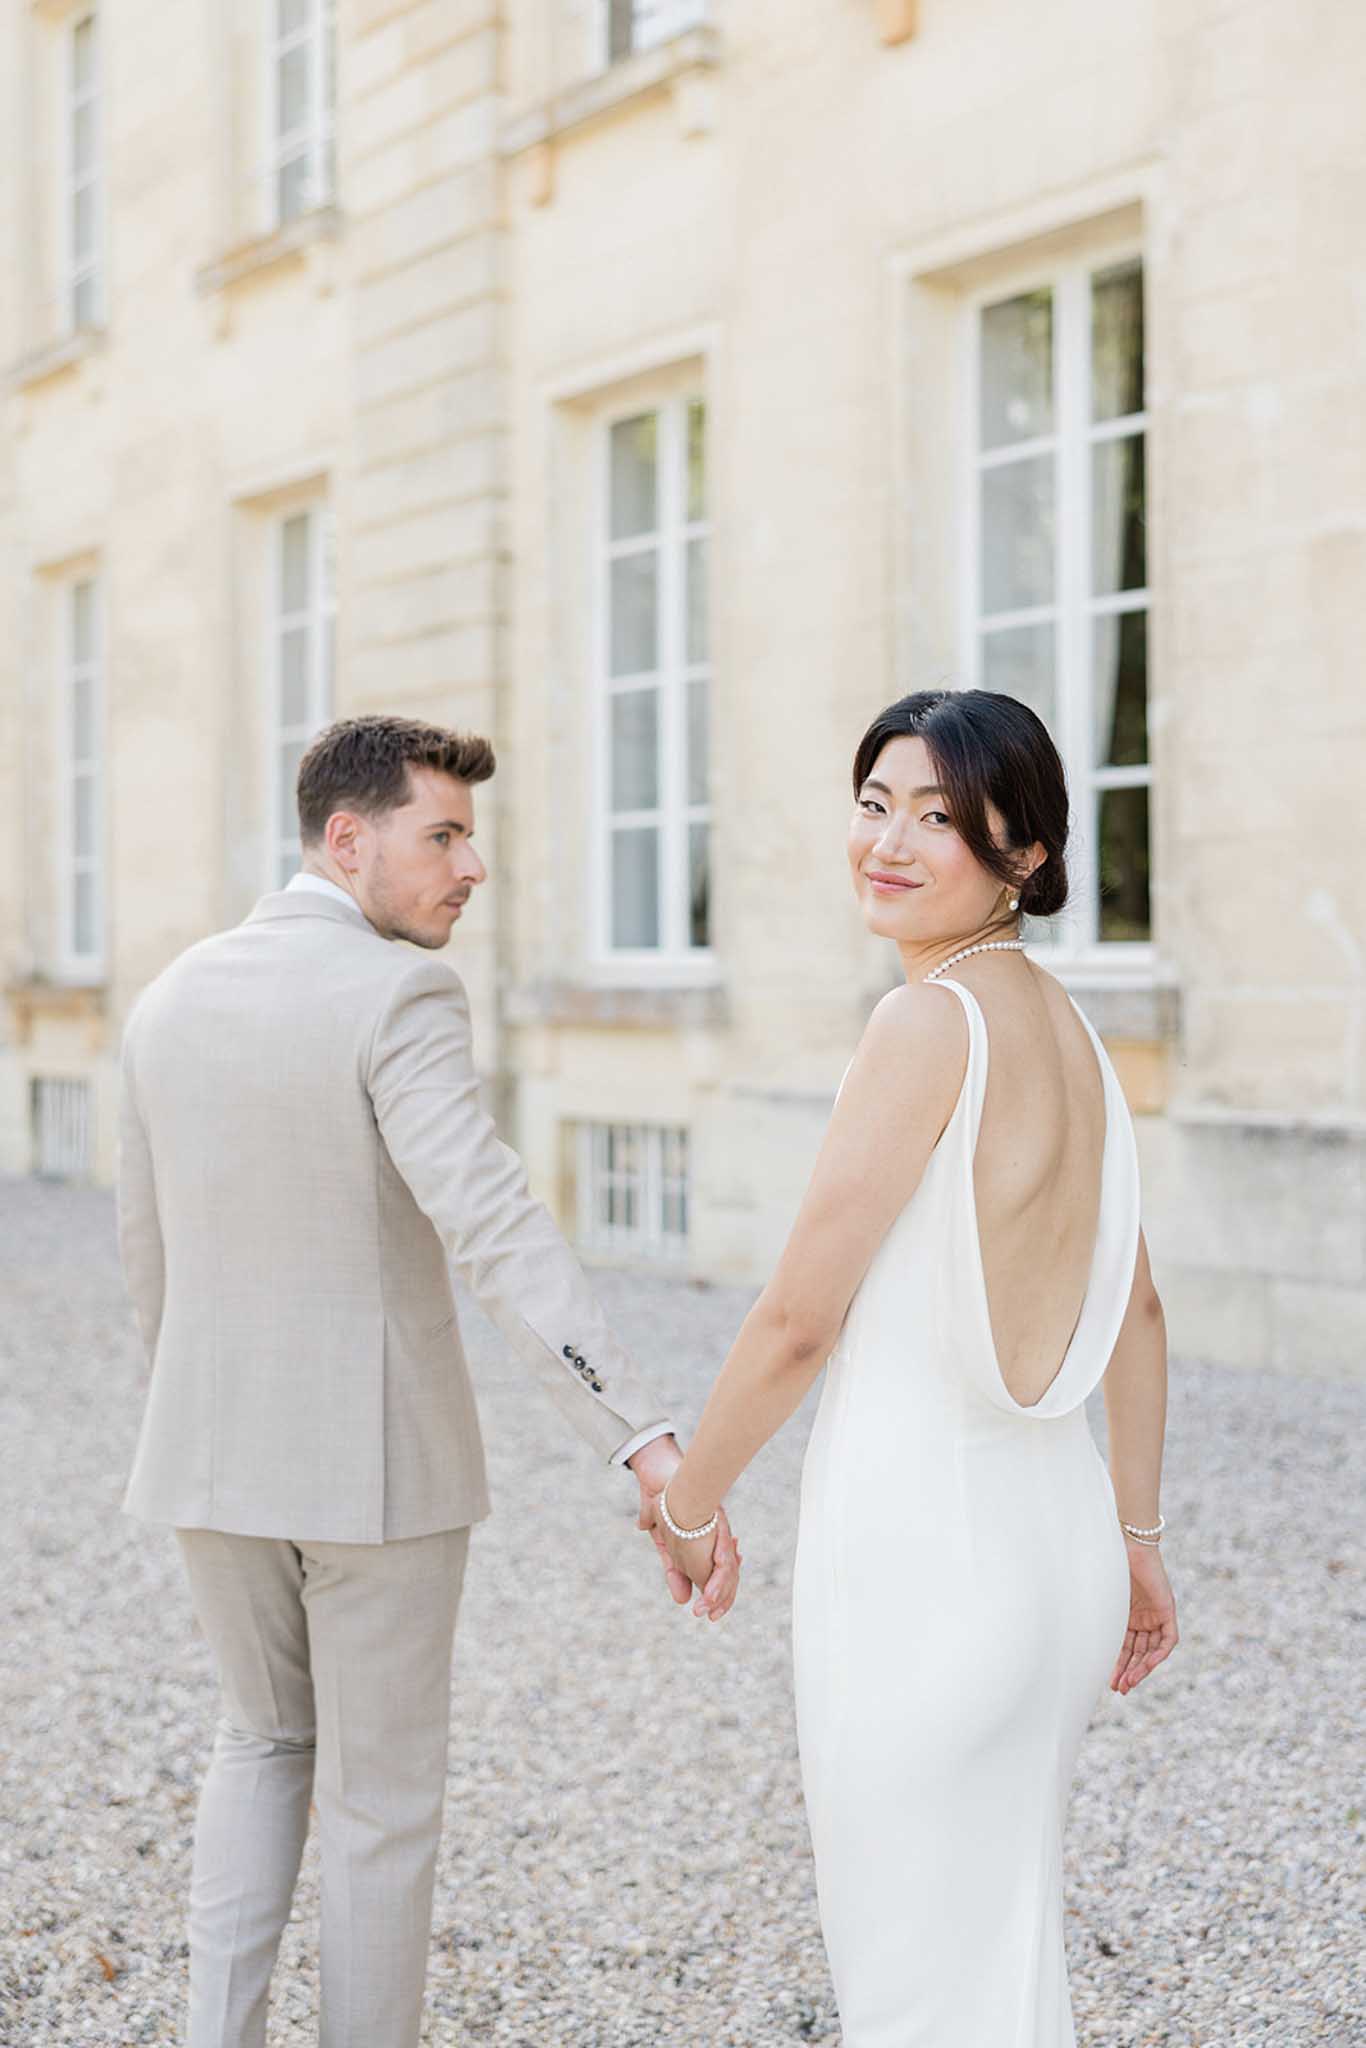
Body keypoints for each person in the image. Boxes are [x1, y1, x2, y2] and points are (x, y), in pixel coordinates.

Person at [116, 714, 740, 2048]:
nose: (473, 866)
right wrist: (639, 1435)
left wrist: (194, 1418)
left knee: (259, 1743)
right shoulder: (395, 995)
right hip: (374, 1479)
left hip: (206, 1459)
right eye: (442, 835)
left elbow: (145, 1256)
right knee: (381, 1809)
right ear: (348, 841)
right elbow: (496, 1225)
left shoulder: (167, 997)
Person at [651, 689, 1177, 2047]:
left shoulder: (926, 1026)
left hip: (927, 1558)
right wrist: (1134, 1539)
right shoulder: (1066, 1028)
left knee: (914, 1983)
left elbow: (794, 1323)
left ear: (1026, 859)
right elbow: (1138, 1312)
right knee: (997, 1960)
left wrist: (689, 1501)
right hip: (1053, 1550)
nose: (888, 841)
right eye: (875, 802)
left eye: (940, 817)